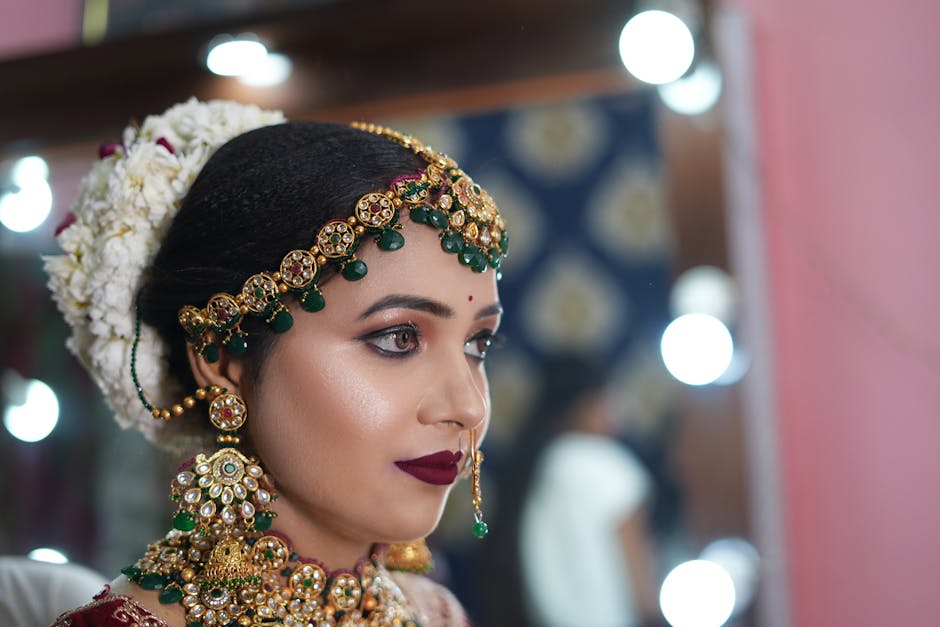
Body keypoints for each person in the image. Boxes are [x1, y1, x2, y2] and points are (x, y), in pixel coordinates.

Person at [43, 99, 508, 626]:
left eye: (478, 344)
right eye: (399, 339)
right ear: (221, 361)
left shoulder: (438, 615)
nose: (469, 407)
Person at [480, 354, 659, 627]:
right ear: (583, 405)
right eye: (606, 399)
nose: (616, 412)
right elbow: (641, 585)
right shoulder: (605, 463)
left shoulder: (536, 467)